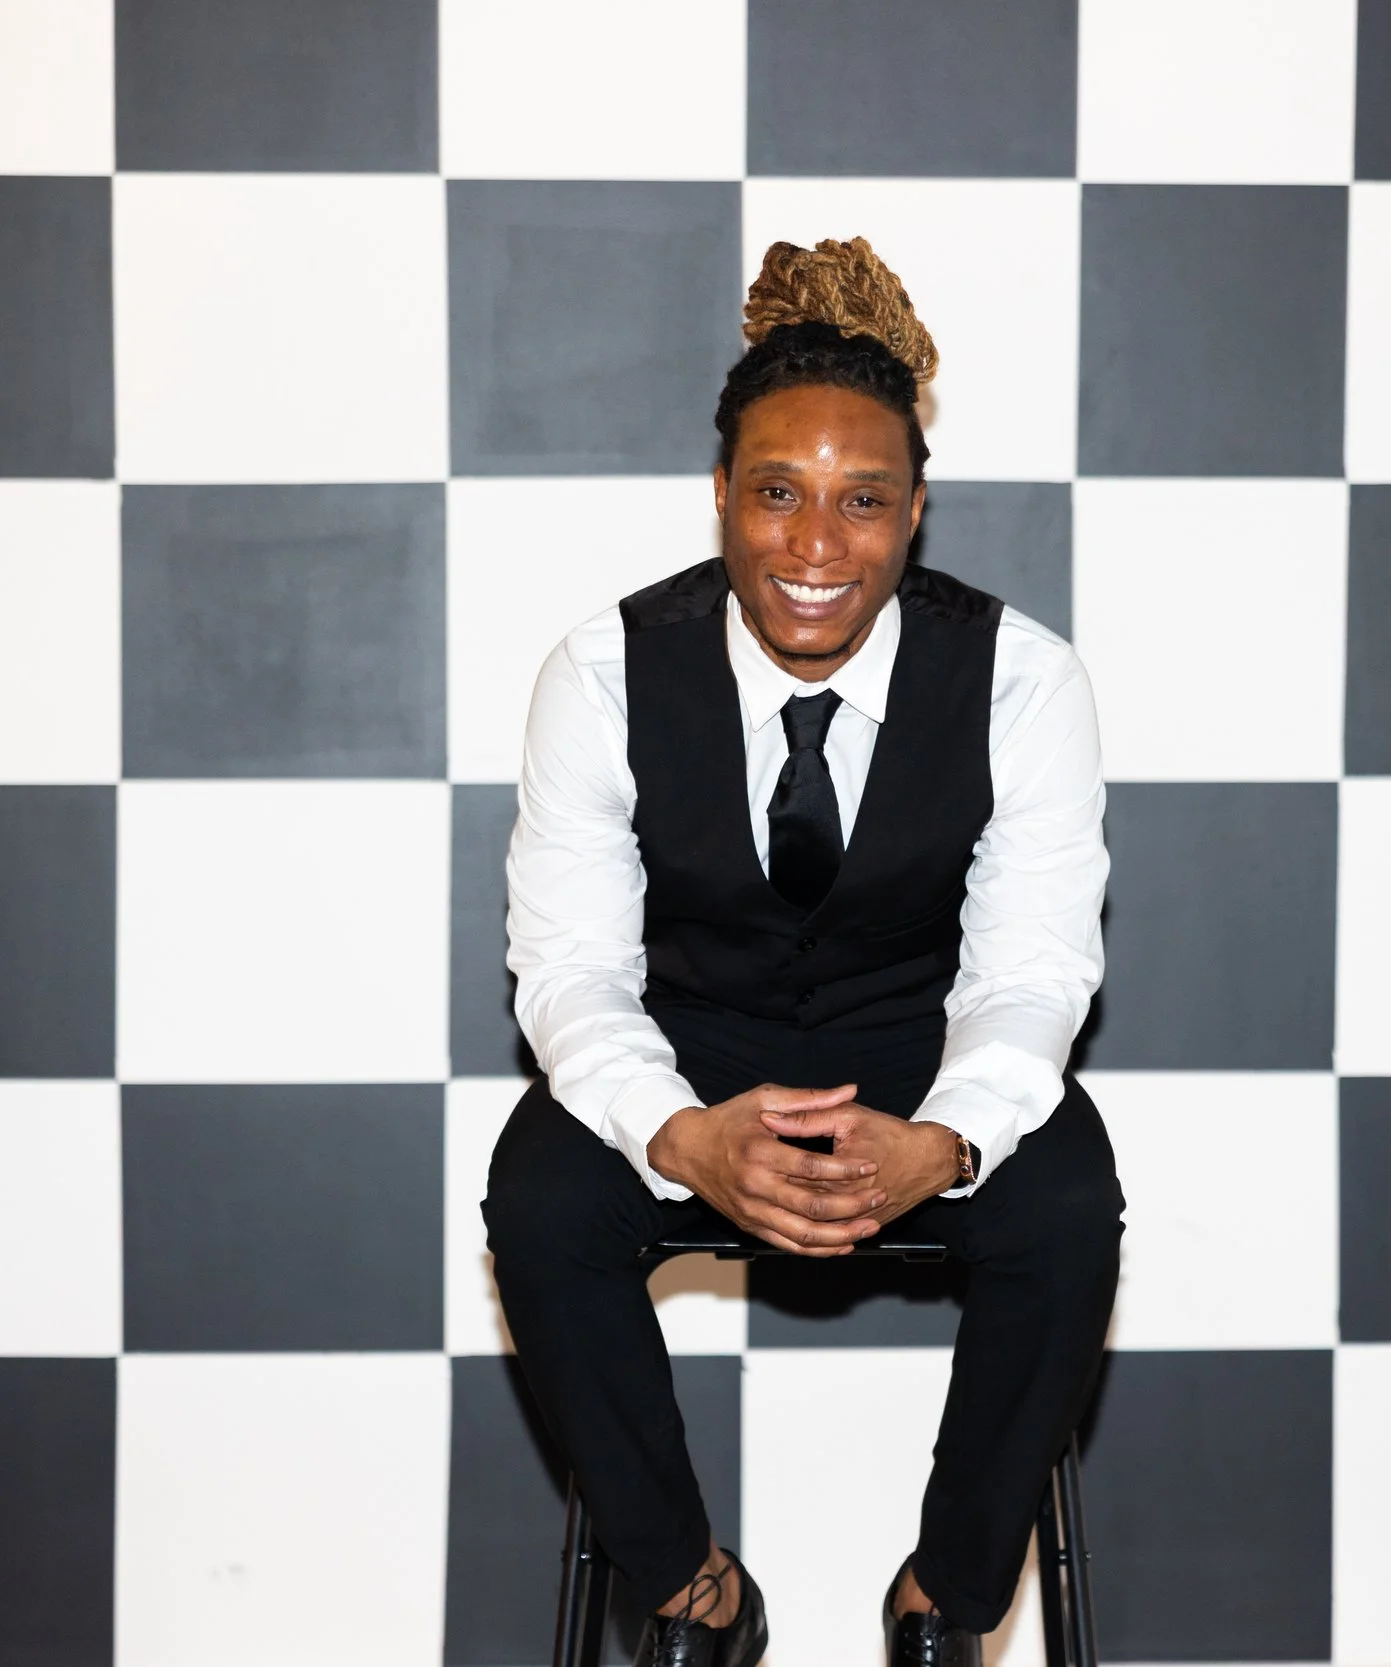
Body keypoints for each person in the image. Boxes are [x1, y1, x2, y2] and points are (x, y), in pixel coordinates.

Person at [480, 237, 1123, 1667]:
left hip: (921, 1050)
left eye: (862, 503)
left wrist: (946, 1141)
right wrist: (679, 1134)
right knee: (539, 1196)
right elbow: (572, 968)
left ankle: (948, 1600)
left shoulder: (1025, 680)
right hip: (691, 1049)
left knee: (1068, 1205)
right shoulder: (599, 675)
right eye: (777, 493)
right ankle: (689, 1587)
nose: (815, 548)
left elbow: (1029, 969)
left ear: (914, 513)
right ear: (722, 494)